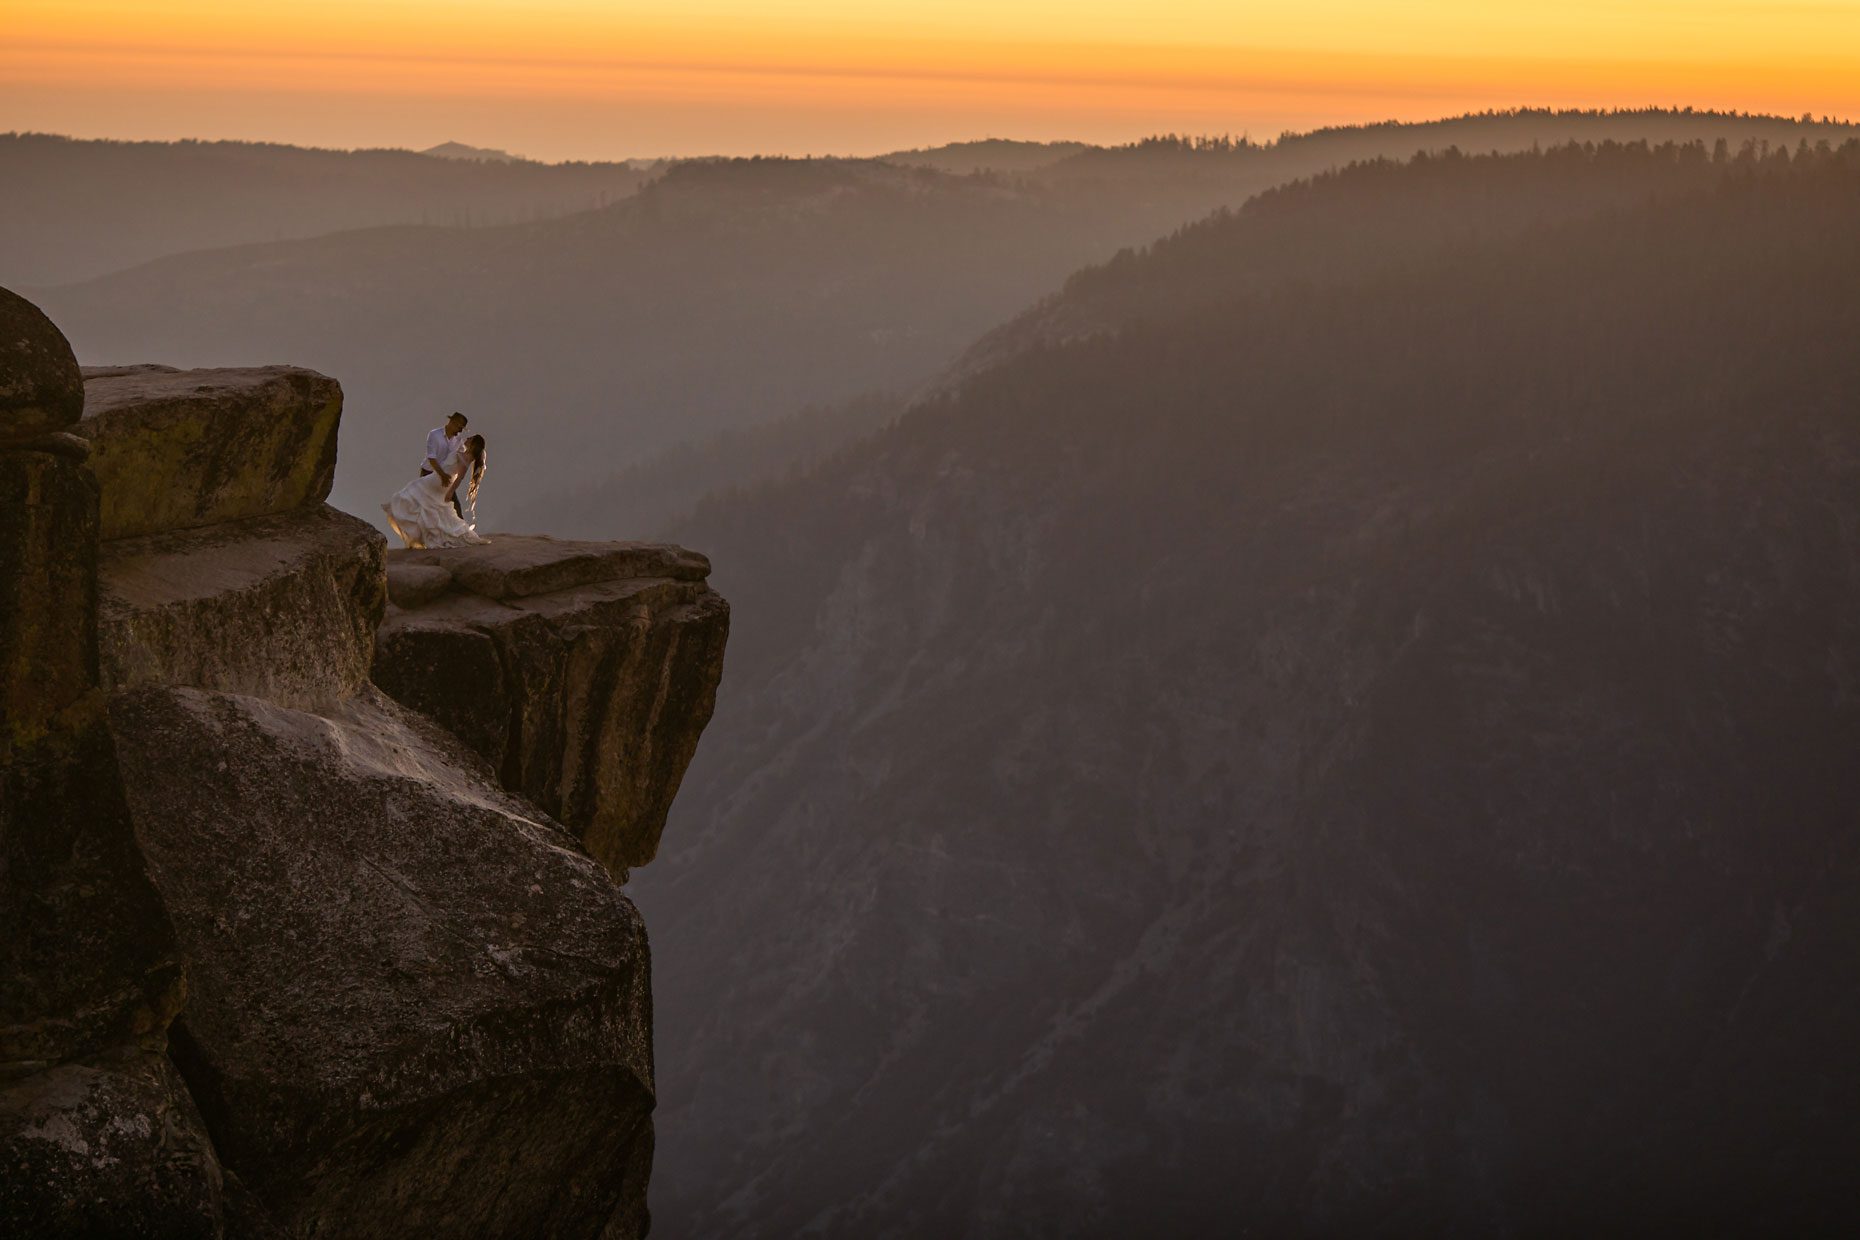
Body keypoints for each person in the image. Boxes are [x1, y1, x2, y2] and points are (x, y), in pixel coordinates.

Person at [384, 432, 489, 548]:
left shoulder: (466, 458)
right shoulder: (462, 452)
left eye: (471, 438)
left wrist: (450, 492)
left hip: (440, 484)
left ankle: (424, 533)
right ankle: (420, 535)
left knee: (413, 495)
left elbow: (459, 478)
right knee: (417, 497)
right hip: (435, 479)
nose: (467, 438)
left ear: (473, 444)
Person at [422, 412, 468, 518]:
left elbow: (463, 456)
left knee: (453, 503)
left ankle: (461, 529)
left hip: (446, 476)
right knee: (429, 505)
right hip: (429, 473)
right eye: (459, 427)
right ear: (452, 422)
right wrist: (442, 475)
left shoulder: (458, 440)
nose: (460, 431)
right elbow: (431, 458)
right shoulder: (434, 435)